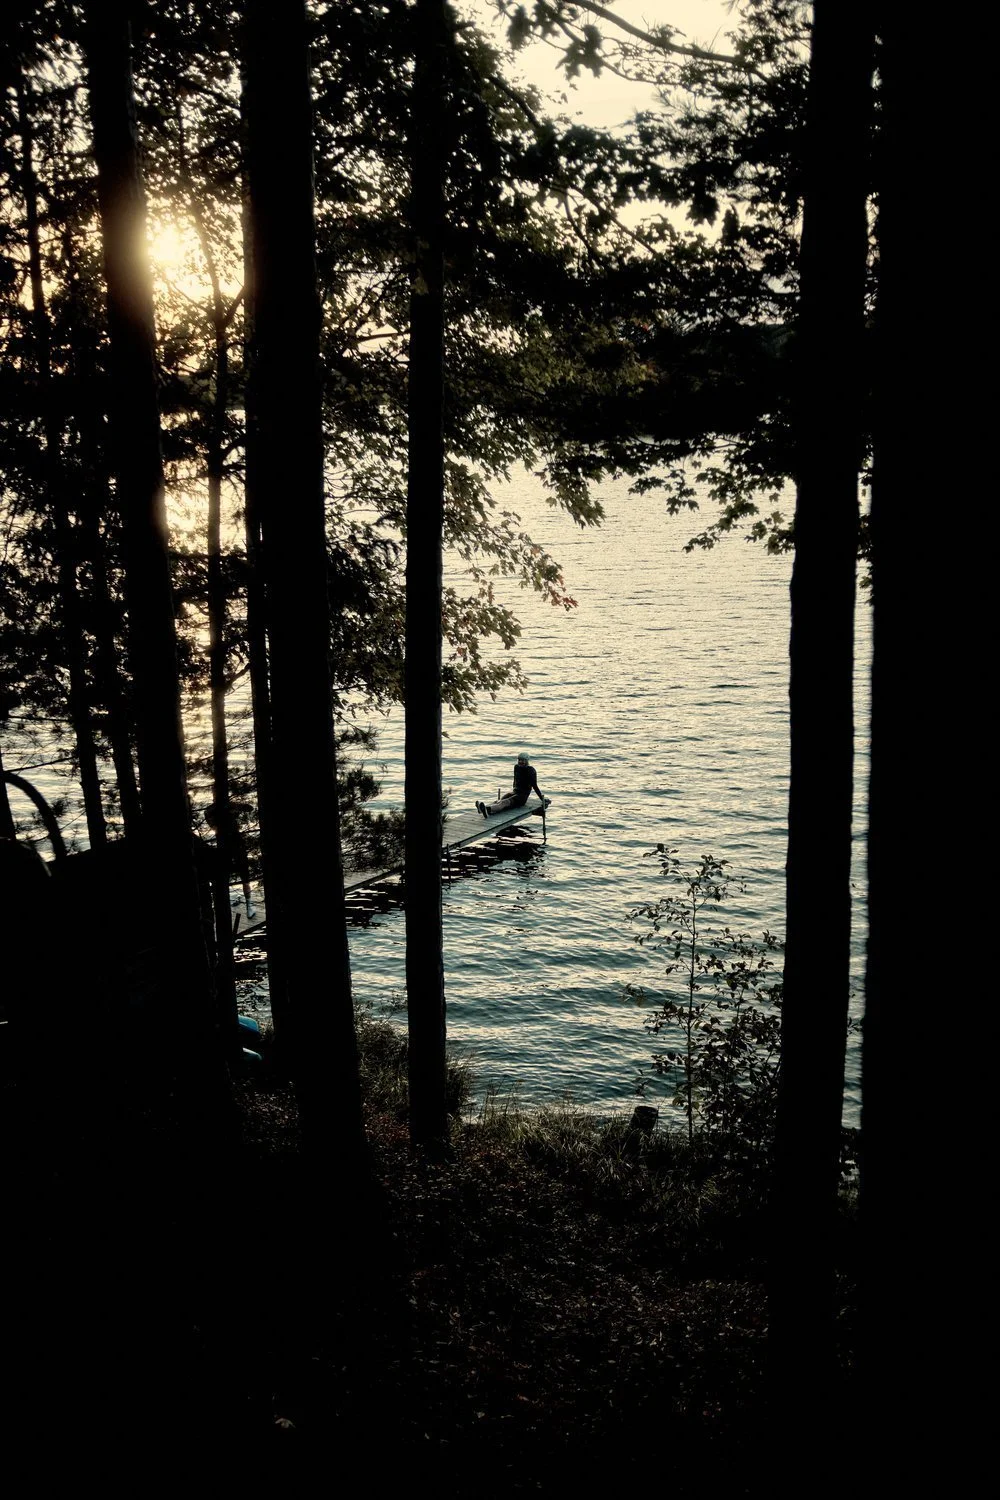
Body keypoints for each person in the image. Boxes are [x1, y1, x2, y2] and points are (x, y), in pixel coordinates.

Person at [203, 801, 256, 919]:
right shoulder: (213, 809)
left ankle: (249, 905)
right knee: (230, 874)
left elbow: (249, 808)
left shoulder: (225, 806)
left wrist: (234, 807)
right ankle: (246, 905)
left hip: (234, 842)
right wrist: (214, 825)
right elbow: (207, 813)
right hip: (227, 843)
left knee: (243, 875)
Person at [475, 753, 550, 819]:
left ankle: (487, 810)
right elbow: (515, 779)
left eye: (523, 760)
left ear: (527, 761)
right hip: (515, 792)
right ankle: (484, 810)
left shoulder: (531, 771)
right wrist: (513, 790)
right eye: (519, 760)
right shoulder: (516, 767)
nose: (520, 762)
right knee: (500, 801)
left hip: (522, 796)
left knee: (504, 802)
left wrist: (542, 799)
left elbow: (535, 786)